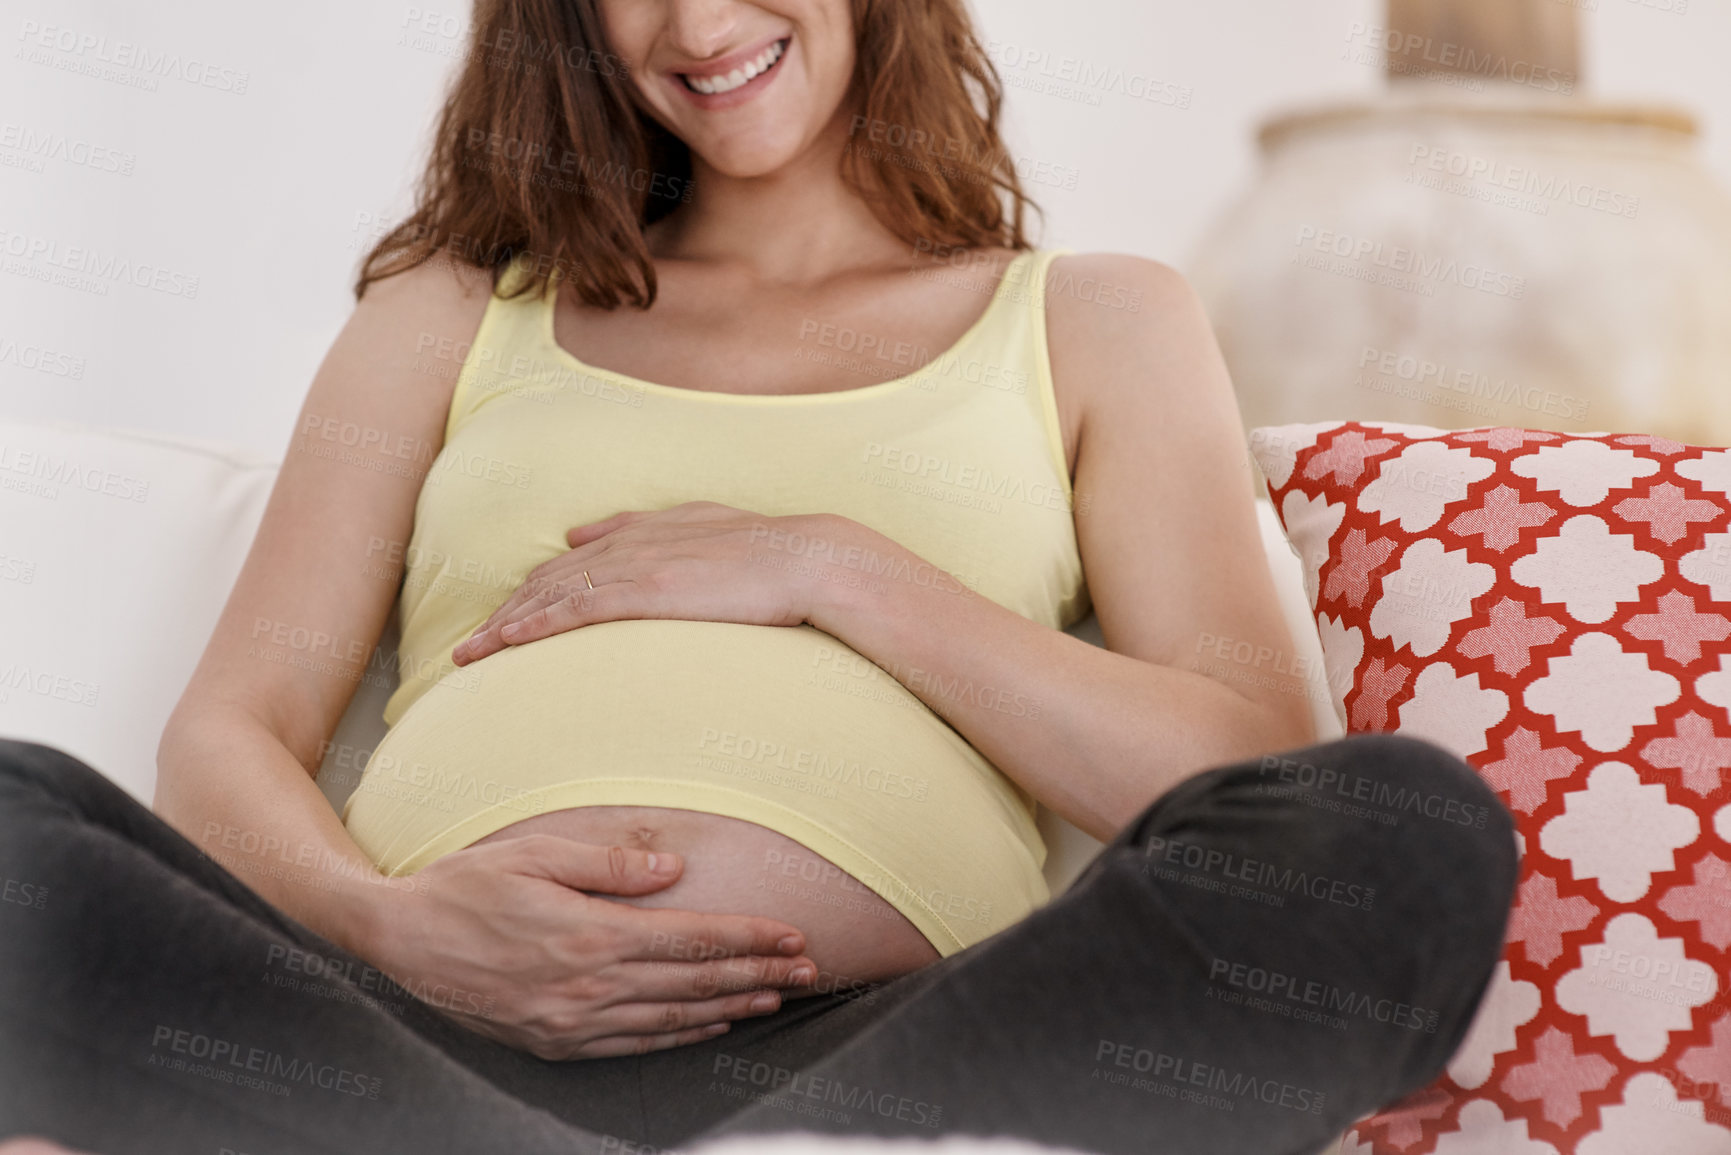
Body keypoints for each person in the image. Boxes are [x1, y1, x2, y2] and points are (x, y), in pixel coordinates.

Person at [0, 1, 1519, 1152]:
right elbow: (228, 732)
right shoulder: (452, 310)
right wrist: (388, 926)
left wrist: (830, 567)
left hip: (898, 1055)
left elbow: (1239, 775)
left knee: (1399, 833)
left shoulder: (1094, 320)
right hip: (404, 1043)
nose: (698, 22)